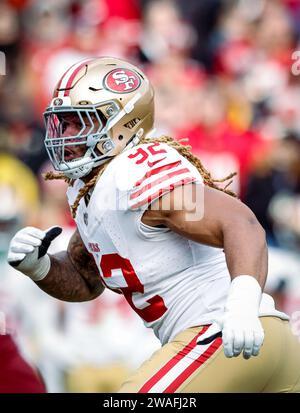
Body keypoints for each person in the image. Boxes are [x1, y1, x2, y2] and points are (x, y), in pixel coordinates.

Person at [7, 57, 300, 393]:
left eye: (80, 123)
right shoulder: (92, 189)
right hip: (259, 346)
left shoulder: (131, 173)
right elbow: (86, 278)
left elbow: (241, 223)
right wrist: (41, 266)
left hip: (226, 331)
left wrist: (243, 305)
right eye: (63, 123)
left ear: (123, 124)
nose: (67, 135)